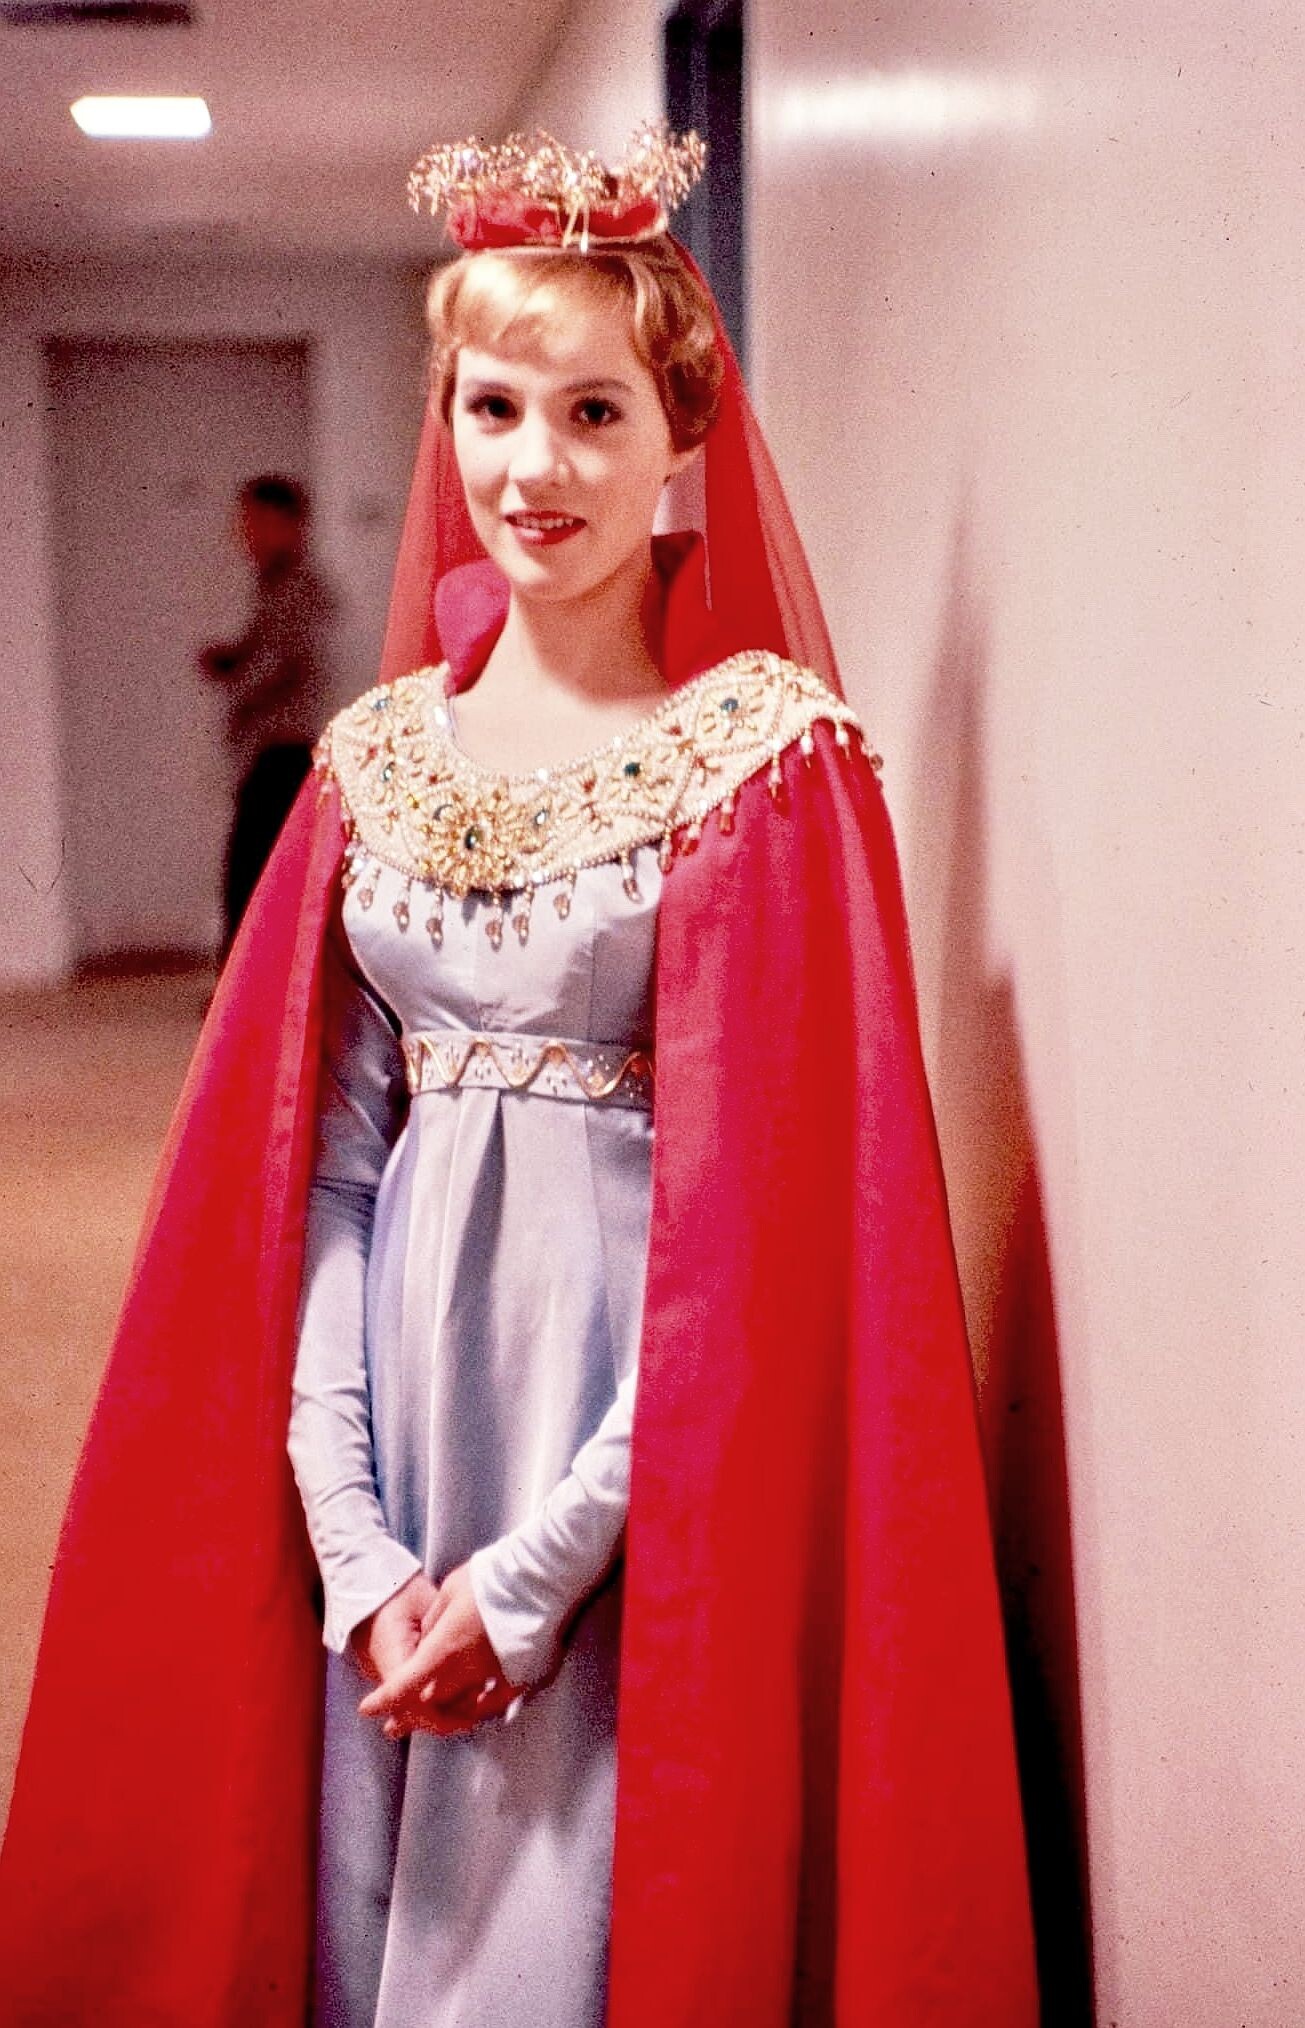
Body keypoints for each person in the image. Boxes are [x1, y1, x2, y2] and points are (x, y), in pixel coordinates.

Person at [0, 127, 1040, 2027]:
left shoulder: (764, 763)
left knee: (573, 1898)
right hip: (394, 1406)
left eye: (591, 411)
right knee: (362, 1876)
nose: (532, 467)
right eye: (492, 406)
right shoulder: (373, 761)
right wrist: (353, 1537)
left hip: (642, 1432)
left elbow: (772, 1239)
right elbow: (319, 1167)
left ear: (679, 441)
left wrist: (538, 1568)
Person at [200, 472, 338, 951]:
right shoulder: (275, 588)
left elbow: (286, 664)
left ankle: (246, 980)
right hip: (275, 748)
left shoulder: (299, 589)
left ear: (288, 524)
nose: (245, 535)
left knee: (252, 875)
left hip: (288, 749)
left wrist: (244, 693)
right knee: (254, 873)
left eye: (256, 521)